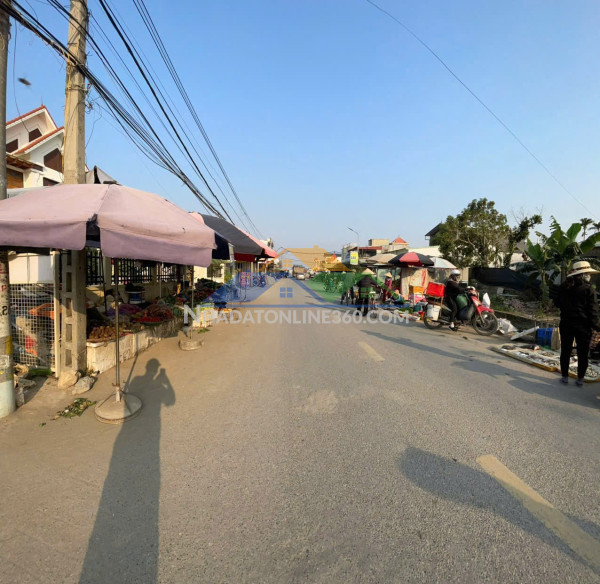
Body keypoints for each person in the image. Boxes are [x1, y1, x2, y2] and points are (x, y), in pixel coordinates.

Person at [554, 260, 600, 386]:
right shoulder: (589, 290)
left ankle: (564, 376)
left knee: (566, 350)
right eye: (588, 274)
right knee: (582, 353)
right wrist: (597, 327)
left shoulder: (564, 287)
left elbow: (557, 303)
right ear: (583, 275)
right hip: (583, 327)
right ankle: (580, 379)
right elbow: (593, 311)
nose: (589, 276)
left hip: (566, 324)